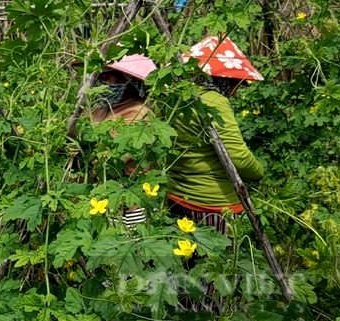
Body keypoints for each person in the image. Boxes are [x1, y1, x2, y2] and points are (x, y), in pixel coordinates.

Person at [168, 35, 265, 234]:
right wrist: (259, 173)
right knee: (216, 262)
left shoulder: (175, 96)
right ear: (222, 78)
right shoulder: (213, 101)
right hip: (212, 204)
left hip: (177, 195)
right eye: (236, 84)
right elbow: (238, 158)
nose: (235, 92)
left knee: (187, 262)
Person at [90, 54, 157, 228]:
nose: (102, 79)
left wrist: (86, 150)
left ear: (129, 80)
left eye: (109, 74)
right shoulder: (100, 108)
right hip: (99, 199)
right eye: (101, 74)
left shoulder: (139, 113)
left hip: (127, 204)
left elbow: (114, 159)